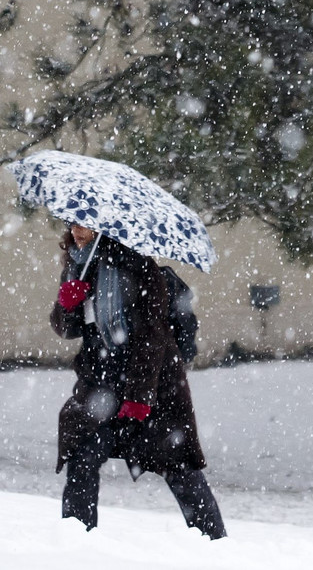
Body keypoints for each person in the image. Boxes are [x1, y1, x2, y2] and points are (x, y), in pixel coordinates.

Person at [50, 223, 226, 539]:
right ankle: (76, 543)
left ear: (104, 228)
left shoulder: (139, 267)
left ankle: (216, 545)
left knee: (179, 466)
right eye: (72, 222)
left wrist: (139, 396)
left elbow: (153, 336)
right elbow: (67, 330)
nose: (76, 230)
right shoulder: (78, 266)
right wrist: (67, 306)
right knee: (82, 456)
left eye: (85, 225)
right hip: (100, 386)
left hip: (154, 387)